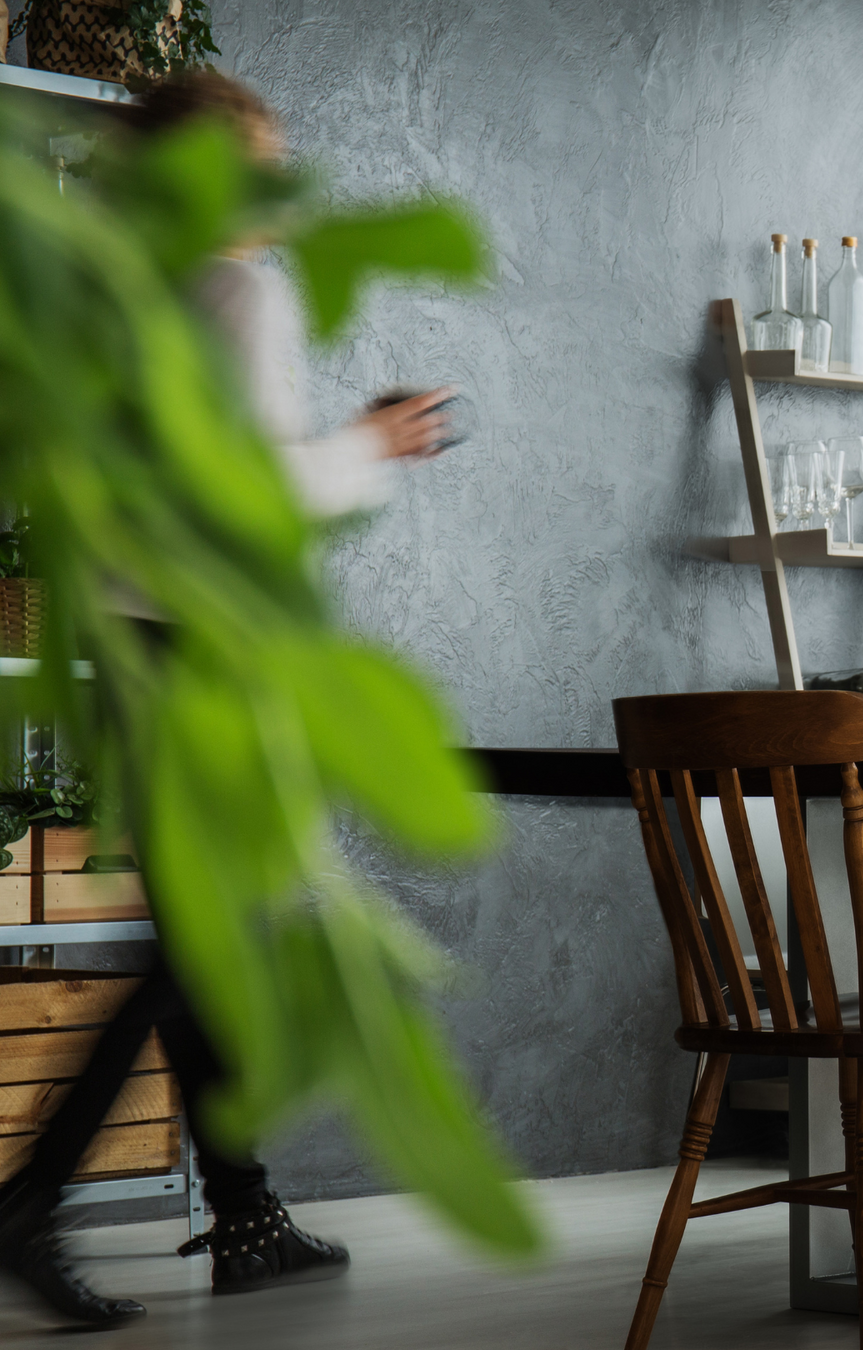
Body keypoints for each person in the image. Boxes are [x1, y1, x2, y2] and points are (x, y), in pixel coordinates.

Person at [0, 71, 452, 1329]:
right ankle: (28, 1205)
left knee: (201, 945)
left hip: (128, 640)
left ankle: (244, 1216)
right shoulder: (241, 290)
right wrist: (377, 446)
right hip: (206, 642)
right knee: (205, 947)